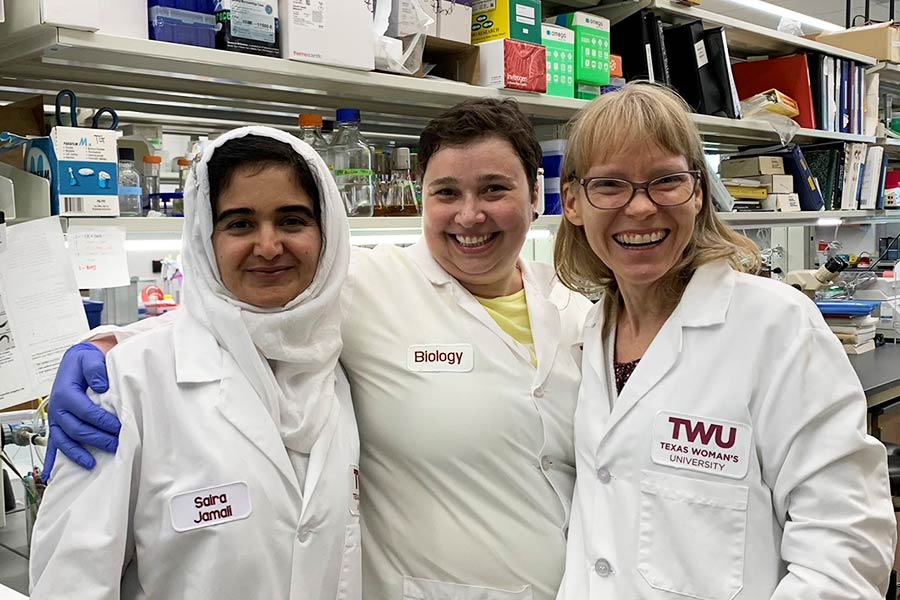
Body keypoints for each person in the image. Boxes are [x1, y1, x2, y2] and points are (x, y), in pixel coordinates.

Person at [43, 100, 592, 599]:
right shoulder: (368, 283)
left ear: (537, 192)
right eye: (446, 192)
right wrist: (99, 352)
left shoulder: (582, 312)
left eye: (494, 189)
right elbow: (244, 309)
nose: (469, 215)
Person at [553, 82, 896, 599]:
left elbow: (843, 543)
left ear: (698, 192)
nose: (641, 208)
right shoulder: (589, 331)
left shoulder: (774, 326)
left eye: (665, 180)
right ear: (574, 202)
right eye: (610, 185)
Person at [30, 127, 361, 600]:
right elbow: (71, 582)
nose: (268, 247)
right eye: (240, 223)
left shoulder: (343, 359)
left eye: (292, 220)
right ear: (205, 238)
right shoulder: (126, 383)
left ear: (327, 231)